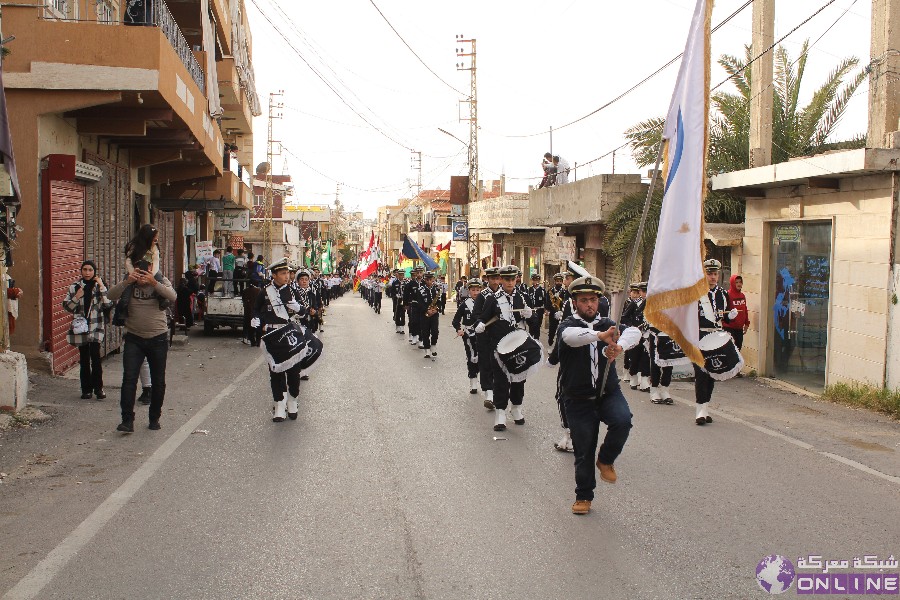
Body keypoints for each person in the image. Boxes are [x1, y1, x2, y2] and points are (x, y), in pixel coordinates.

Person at [556, 275, 635, 515]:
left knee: (623, 420)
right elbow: (572, 338)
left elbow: (633, 333)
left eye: (593, 299)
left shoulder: (609, 323)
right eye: (584, 300)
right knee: (583, 449)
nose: (589, 304)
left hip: (607, 392)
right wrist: (600, 337)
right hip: (577, 397)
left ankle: (606, 459)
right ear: (575, 302)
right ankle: (584, 496)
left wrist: (619, 345)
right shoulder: (567, 325)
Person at [108, 251, 177, 432]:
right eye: (138, 272)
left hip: (158, 338)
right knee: (129, 380)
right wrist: (127, 281)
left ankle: (154, 418)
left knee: (158, 381)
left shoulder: (160, 281)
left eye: (144, 272)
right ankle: (127, 420)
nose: (141, 277)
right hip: (134, 338)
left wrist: (154, 283)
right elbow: (110, 295)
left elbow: (173, 296)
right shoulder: (128, 284)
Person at [474, 265, 533, 431]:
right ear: (500, 279)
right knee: (501, 380)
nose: (510, 282)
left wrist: (531, 316)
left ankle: (516, 409)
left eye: (513, 279)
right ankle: (500, 413)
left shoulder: (522, 298)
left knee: (519, 379)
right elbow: (483, 318)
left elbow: (533, 321)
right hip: (499, 346)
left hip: (519, 347)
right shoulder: (493, 299)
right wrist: (479, 325)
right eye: (506, 279)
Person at [252, 259, 308, 422]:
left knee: (293, 373)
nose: (286, 276)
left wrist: (296, 307)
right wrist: (255, 319)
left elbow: (304, 312)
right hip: (273, 336)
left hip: (289, 335)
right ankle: (279, 405)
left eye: (287, 273)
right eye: (282, 273)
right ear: (274, 275)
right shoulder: (265, 292)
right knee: (275, 373)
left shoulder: (292, 291)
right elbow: (257, 309)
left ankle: (292, 402)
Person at [694, 259, 739, 426]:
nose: (713, 277)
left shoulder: (722, 294)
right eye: (710, 274)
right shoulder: (696, 294)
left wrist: (731, 316)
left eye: (715, 274)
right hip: (699, 337)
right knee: (701, 373)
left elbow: (725, 316)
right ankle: (699, 410)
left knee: (712, 372)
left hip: (716, 337)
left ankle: (705, 407)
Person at [63, 261, 114, 400]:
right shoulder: (75, 287)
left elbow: (108, 303)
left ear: (94, 271)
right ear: (81, 271)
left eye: (90, 270)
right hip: (81, 328)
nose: (87, 272)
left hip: (96, 326)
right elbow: (67, 307)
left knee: (96, 358)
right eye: (84, 269)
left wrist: (102, 286)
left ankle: (99, 389)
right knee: (84, 358)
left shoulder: (99, 286)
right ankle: (86, 390)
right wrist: (77, 296)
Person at [473, 267, 501, 409]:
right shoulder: (482, 296)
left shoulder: (504, 295)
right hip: (485, 335)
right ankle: (488, 393)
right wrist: (480, 323)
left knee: (500, 364)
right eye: (493, 278)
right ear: (487, 279)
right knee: (486, 364)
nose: (495, 281)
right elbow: (476, 314)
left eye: (497, 278)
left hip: (501, 335)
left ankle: (499, 392)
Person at [453, 279, 484, 394]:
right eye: (473, 290)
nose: (475, 292)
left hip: (483, 334)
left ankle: (483, 381)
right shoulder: (464, 304)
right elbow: (455, 320)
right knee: (472, 357)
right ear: (469, 290)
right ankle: (473, 382)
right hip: (468, 335)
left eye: (478, 290)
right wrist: (459, 329)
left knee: (483, 358)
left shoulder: (486, 302)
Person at [621, 282, 651, 392]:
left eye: (647, 291)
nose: (645, 294)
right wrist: (632, 327)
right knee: (634, 357)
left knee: (646, 358)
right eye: (643, 292)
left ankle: (644, 381)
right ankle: (633, 376)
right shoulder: (635, 303)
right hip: (636, 334)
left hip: (647, 335)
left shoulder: (652, 303)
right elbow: (625, 317)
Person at [418, 271, 441, 358]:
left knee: (435, 331)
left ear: (433, 279)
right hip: (425, 314)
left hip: (434, 314)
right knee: (425, 332)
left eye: (430, 279)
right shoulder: (420, 290)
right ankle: (427, 350)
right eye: (427, 280)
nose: (428, 281)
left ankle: (433, 346)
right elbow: (419, 303)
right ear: (424, 280)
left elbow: (439, 302)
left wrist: (436, 309)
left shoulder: (437, 289)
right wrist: (426, 310)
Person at [724, 273, 749, 352]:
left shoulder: (742, 296)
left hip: (739, 328)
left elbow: (745, 309)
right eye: (736, 282)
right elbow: (724, 312)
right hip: (729, 327)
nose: (739, 284)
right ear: (732, 283)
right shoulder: (727, 295)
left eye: (740, 282)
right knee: (731, 350)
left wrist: (747, 323)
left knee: (738, 349)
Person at [546, 272, 567, 346]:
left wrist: (561, 311)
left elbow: (565, 303)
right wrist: (547, 310)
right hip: (552, 313)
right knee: (552, 329)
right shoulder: (550, 291)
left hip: (561, 314)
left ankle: (559, 345)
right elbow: (547, 301)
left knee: (561, 330)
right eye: (557, 281)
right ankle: (550, 343)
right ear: (555, 281)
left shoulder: (565, 292)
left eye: (560, 281)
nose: (559, 282)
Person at [526, 273, 546, 340]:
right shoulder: (529, 289)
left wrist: (546, 309)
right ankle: (531, 340)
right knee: (531, 326)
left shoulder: (542, 290)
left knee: (537, 326)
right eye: (534, 280)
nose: (535, 282)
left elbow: (545, 300)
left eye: (537, 280)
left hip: (539, 310)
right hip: (531, 310)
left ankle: (537, 340)